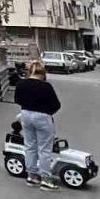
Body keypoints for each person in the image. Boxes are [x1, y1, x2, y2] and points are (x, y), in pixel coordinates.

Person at [14, 59, 62, 191]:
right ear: (43, 73)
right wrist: (47, 113)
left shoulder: (21, 84)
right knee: (44, 149)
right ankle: (46, 179)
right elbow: (56, 105)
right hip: (42, 117)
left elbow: (17, 100)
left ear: (30, 72)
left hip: (25, 115)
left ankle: (31, 176)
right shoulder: (46, 86)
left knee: (29, 146)